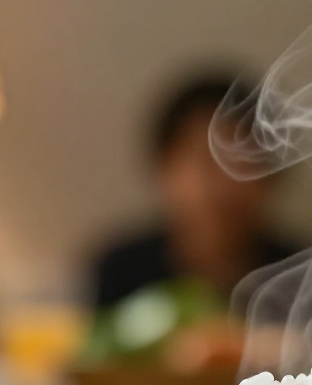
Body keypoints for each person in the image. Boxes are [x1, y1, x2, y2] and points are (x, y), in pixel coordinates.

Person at [88, 74, 300, 313]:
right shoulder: (123, 270)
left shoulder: (299, 271)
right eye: (207, 162)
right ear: (164, 167)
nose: (224, 184)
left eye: (245, 163)